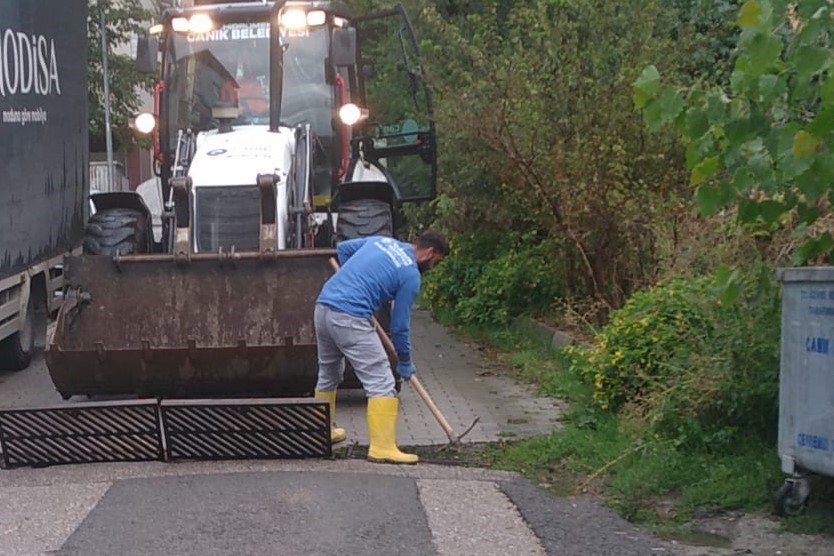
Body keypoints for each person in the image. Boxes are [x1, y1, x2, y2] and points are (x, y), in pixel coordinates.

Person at [314, 231, 449, 464]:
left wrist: (358, 280)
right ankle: (382, 447)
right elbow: (399, 326)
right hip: (349, 316)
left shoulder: (383, 241)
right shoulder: (410, 274)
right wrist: (404, 361)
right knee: (382, 381)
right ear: (429, 252)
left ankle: (320, 432)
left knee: (329, 373)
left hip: (323, 307)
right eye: (436, 261)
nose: (433, 266)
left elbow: (344, 248)